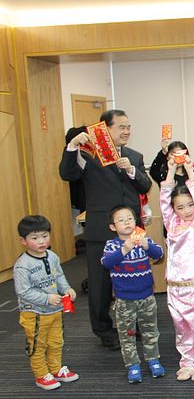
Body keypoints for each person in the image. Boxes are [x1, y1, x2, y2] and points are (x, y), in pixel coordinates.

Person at [59, 109, 151, 350]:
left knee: (136, 276)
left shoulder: (134, 155)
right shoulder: (88, 154)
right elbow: (67, 174)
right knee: (100, 284)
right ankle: (104, 330)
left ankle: (134, 324)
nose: (127, 131)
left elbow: (144, 185)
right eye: (121, 127)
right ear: (105, 129)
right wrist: (72, 146)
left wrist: (131, 169)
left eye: (128, 126)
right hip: (101, 228)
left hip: (131, 230)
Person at [159, 157, 194, 382]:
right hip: (174, 285)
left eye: (189, 205)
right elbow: (164, 201)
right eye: (180, 207)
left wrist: (190, 170)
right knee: (181, 326)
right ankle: (188, 361)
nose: (187, 210)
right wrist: (172, 170)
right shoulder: (171, 224)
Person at [14, 215, 79, 391]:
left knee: (56, 342)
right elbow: (23, 292)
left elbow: (58, 276)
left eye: (45, 236)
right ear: (23, 241)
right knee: (38, 345)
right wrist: (46, 298)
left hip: (54, 310)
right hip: (34, 313)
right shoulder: (22, 265)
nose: (41, 241)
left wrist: (66, 289)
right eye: (35, 238)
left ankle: (56, 369)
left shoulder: (52, 256)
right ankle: (41, 374)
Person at [101, 205, 165, 383]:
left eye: (129, 218)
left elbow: (158, 254)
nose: (126, 222)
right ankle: (133, 365)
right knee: (127, 334)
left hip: (146, 296)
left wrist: (146, 245)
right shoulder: (112, 245)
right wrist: (124, 250)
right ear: (113, 227)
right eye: (120, 220)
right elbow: (106, 262)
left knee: (150, 330)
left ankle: (153, 360)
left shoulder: (143, 238)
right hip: (124, 299)